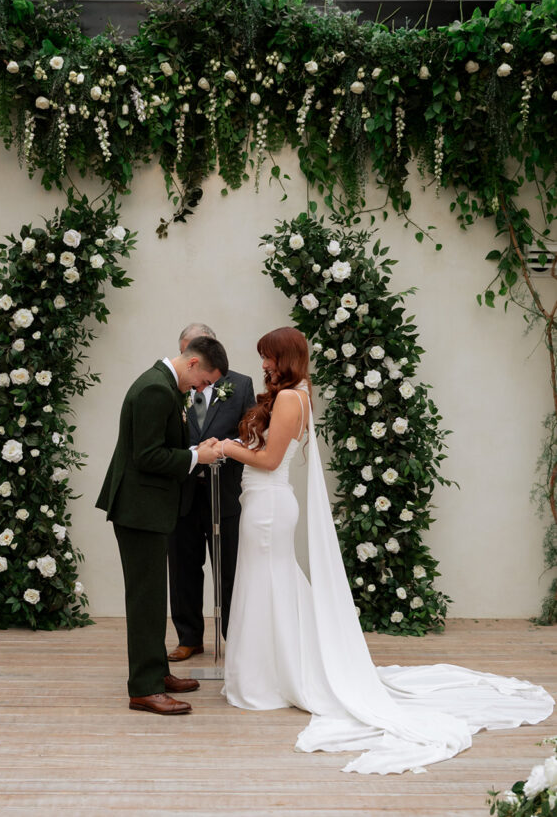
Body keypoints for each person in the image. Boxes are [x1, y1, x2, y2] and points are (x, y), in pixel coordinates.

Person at [217, 327, 553, 773]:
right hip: (263, 503)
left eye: (269, 357)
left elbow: (271, 460)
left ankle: (272, 677)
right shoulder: (293, 395)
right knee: (267, 584)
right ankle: (273, 670)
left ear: (286, 358)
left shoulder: (291, 399)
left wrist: (227, 447)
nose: (263, 364)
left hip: (269, 507)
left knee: (269, 584)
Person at [96, 337, 227, 715]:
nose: (201, 389)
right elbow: (148, 456)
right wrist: (196, 457)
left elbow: (159, 446)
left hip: (148, 508)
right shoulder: (155, 389)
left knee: (153, 598)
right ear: (193, 364)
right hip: (140, 509)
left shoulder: (164, 384)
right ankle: (144, 688)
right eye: (204, 381)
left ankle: (157, 672)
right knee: (145, 601)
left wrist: (195, 451)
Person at [167, 323, 256, 661]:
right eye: (186, 351)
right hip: (183, 493)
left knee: (230, 568)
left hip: (225, 492)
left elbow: (252, 434)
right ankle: (189, 638)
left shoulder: (241, 384)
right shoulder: (172, 388)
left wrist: (223, 447)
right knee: (183, 569)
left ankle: (234, 638)